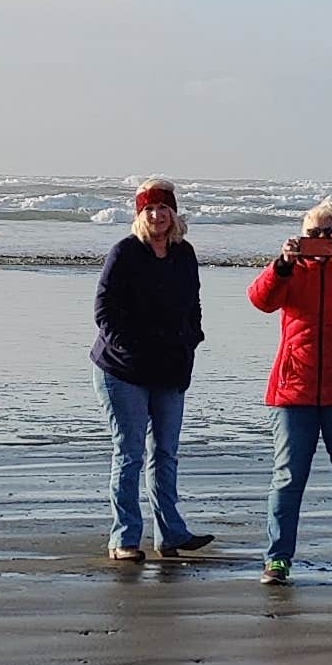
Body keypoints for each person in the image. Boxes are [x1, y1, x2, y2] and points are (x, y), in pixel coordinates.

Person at [246, 198, 332, 585]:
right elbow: (260, 299)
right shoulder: (291, 270)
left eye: (330, 233)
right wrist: (281, 265)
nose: (322, 240)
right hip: (294, 390)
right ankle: (277, 559)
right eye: (314, 233)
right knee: (287, 478)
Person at [89, 178, 211, 562]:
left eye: (163, 208)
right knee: (130, 453)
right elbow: (103, 310)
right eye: (150, 209)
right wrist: (130, 347)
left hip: (170, 368)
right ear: (140, 215)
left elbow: (193, 305)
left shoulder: (184, 253)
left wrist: (191, 340)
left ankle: (170, 534)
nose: (157, 215)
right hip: (122, 370)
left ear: (173, 213)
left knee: (166, 452)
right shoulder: (125, 252)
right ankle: (124, 538)